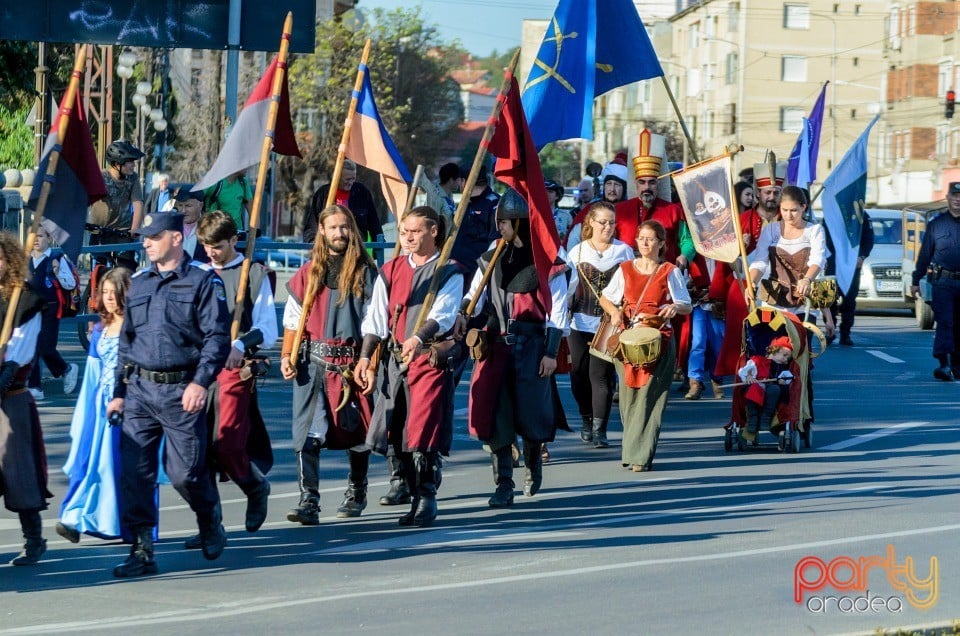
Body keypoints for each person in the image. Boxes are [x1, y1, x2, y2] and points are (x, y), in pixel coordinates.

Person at [108, 211, 230, 577]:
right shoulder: (141, 284)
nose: (145, 242)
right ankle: (141, 549)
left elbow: (217, 339)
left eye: (153, 236)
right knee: (136, 472)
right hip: (141, 391)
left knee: (185, 474)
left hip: (182, 390)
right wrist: (119, 392)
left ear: (176, 238)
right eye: (145, 236)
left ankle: (209, 518)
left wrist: (200, 382)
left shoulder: (203, 281)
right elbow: (127, 343)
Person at [458, 190, 571, 507]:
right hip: (496, 347)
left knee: (531, 416)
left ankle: (533, 464)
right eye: (499, 222)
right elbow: (475, 295)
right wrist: (463, 312)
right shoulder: (491, 256)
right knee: (497, 417)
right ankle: (503, 484)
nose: (500, 229)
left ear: (520, 224)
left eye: (505, 223)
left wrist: (551, 353)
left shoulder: (548, 263)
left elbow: (557, 312)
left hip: (532, 348)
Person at [355, 206, 462, 527]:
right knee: (398, 427)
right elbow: (376, 317)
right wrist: (365, 356)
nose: (408, 237)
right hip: (394, 362)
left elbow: (444, 313)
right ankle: (410, 491)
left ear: (433, 232)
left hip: (428, 360)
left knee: (422, 429)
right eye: (404, 232)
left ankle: (426, 498)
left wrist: (418, 337)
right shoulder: (390, 269)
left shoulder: (449, 270)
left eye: (415, 231)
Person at [181, 211, 276, 547]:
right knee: (198, 448)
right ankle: (210, 524)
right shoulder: (196, 273)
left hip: (235, 369)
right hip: (196, 369)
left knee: (228, 442)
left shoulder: (253, 274)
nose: (211, 252)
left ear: (234, 240)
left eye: (217, 246)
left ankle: (254, 486)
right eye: (206, 246)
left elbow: (268, 328)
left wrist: (239, 343)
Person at [279, 204, 379, 524]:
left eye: (345, 227)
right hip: (313, 363)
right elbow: (294, 321)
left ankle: (357, 490)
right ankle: (308, 500)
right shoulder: (308, 274)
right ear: (322, 230)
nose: (340, 233)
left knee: (357, 432)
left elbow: (376, 325)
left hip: (352, 364)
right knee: (307, 431)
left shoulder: (366, 271)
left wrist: (370, 364)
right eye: (333, 227)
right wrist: (287, 355)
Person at [57, 268, 157, 544]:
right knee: (93, 464)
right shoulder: (100, 329)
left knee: (125, 468)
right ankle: (79, 517)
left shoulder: (136, 327)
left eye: (115, 293)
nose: (110, 298)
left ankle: (130, 526)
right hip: (102, 405)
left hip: (130, 406)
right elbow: (92, 375)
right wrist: (86, 414)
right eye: (105, 292)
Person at [599, 220, 692, 472]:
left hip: (657, 339)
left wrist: (674, 307)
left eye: (651, 239)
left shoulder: (669, 271)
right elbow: (606, 298)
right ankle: (632, 448)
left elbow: (686, 304)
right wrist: (615, 314)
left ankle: (639, 455)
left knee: (650, 397)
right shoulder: (625, 269)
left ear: (662, 244)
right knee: (629, 397)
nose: (645, 243)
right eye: (641, 238)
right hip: (628, 340)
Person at [565, 201, 634, 446]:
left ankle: (599, 428)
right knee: (578, 375)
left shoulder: (624, 251)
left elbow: (631, 285)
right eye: (603, 222)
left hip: (609, 322)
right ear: (591, 223)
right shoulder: (578, 252)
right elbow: (569, 288)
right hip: (579, 321)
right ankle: (586, 417)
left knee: (601, 376)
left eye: (612, 223)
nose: (607, 227)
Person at [0, 232, 49, 565]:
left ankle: (34, 539)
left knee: (18, 473)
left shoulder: (26, 301)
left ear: (10, 260)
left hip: (11, 398)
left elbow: (19, 355)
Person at [614, 130, 694, 267]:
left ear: (658, 184)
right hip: (627, 273)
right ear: (635, 184)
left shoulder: (673, 211)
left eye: (652, 182)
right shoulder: (619, 210)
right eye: (642, 182)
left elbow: (687, 240)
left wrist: (684, 256)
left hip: (663, 273)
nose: (647, 187)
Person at [910, 181, 960, 380]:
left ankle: (957, 365)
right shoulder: (936, 224)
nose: (958, 200)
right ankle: (944, 364)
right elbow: (924, 255)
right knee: (945, 323)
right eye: (955, 196)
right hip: (943, 282)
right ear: (947, 198)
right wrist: (916, 280)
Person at [27, 225, 79, 401]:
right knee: (31, 347)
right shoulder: (25, 260)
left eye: (40, 236)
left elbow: (70, 284)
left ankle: (66, 369)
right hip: (30, 309)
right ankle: (35, 386)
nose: (35, 239)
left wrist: (58, 272)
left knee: (46, 347)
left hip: (50, 309)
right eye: (32, 236)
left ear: (49, 238)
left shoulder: (55, 258)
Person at [88, 139, 144, 271]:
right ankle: (94, 290)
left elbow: (138, 203)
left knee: (125, 271)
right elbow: (84, 199)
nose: (133, 165)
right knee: (98, 272)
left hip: (123, 233)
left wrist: (135, 229)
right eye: (130, 162)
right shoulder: (101, 178)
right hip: (99, 231)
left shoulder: (133, 178)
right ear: (117, 163)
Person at [824, 212, 874, 346]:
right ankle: (830, 330)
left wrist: (862, 256)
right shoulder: (831, 211)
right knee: (830, 299)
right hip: (832, 264)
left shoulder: (861, 214)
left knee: (849, 300)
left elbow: (868, 238)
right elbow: (824, 238)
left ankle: (845, 333)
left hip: (851, 264)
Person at [303, 160, 381, 245]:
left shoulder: (362, 192)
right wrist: (314, 245)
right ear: (338, 177)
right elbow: (312, 225)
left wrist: (379, 249)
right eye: (347, 179)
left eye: (353, 179)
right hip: (329, 249)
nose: (351, 182)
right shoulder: (322, 194)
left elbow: (374, 224)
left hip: (355, 249)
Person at [449, 167, 500, 291]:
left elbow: (495, 241)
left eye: (459, 181)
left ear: (464, 181)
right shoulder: (466, 203)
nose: (458, 185)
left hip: (477, 273)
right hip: (456, 269)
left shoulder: (494, 204)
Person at [737, 336, 795, 442]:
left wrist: (783, 381)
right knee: (752, 390)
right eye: (784, 355)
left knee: (775, 389)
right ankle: (753, 418)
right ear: (775, 350)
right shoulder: (757, 360)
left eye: (788, 358)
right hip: (756, 385)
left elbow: (788, 377)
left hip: (770, 388)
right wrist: (749, 377)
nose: (785, 359)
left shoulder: (782, 368)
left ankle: (766, 417)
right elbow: (743, 371)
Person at [566, 154, 630, 248]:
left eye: (617, 185)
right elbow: (574, 239)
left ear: (624, 188)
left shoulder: (631, 209)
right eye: (608, 184)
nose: (612, 189)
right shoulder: (591, 208)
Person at [174, 189, 209, 263]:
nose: (183, 210)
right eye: (180, 205)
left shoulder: (209, 228)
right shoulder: (172, 228)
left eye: (188, 206)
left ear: (201, 205)